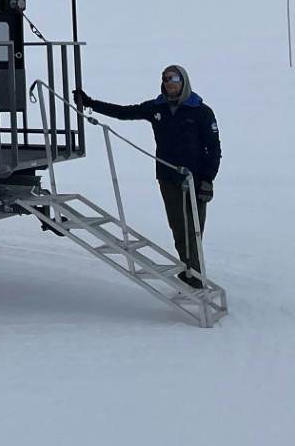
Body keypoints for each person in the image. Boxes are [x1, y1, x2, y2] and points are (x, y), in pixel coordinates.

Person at [75, 66, 220, 285]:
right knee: (179, 228)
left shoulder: (201, 111)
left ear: (184, 81)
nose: (169, 83)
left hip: (195, 180)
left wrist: (208, 180)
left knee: (194, 229)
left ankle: (195, 276)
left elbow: (214, 148)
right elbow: (124, 112)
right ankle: (189, 271)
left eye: (174, 78)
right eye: (165, 79)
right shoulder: (156, 107)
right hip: (167, 178)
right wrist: (91, 103)